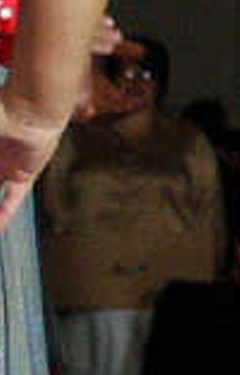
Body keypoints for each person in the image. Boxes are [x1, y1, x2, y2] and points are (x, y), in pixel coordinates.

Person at [33, 32, 221, 314]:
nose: (134, 82)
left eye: (146, 73)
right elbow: (51, 206)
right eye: (123, 73)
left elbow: (211, 216)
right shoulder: (73, 137)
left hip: (172, 292)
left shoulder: (188, 140)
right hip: (89, 293)